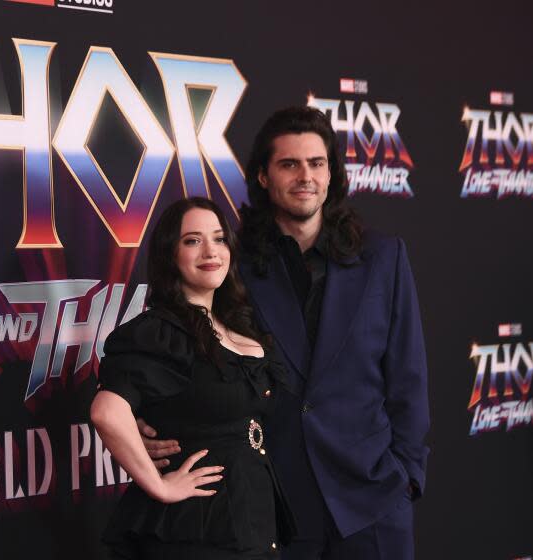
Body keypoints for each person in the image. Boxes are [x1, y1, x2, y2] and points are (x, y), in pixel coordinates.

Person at [139, 107, 429, 560]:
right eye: (289, 164)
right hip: (274, 501)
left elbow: (408, 376)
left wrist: (407, 476)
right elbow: (183, 342)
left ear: (331, 173)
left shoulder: (383, 257)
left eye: (316, 163)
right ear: (262, 176)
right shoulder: (230, 263)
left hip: (373, 499)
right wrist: (147, 420)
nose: (305, 176)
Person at [90, 197, 296, 560]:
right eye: (192, 240)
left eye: (218, 238)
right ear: (170, 254)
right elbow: (106, 412)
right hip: (196, 532)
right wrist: (159, 486)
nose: (210, 251)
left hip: (253, 522)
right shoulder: (158, 332)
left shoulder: (243, 327)